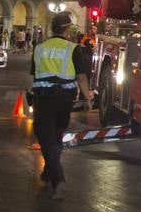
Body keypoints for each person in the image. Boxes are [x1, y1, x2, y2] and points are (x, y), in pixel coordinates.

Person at [30, 12, 94, 200]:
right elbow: (81, 77)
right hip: (65, 100)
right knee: (56, 136)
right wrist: (87, 99)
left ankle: (58, 179)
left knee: (45, 136)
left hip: (44, 98)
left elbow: (35, 73)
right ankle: (48, 172)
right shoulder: (73, 48)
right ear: (67, 29)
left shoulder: (39, 48)